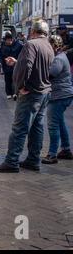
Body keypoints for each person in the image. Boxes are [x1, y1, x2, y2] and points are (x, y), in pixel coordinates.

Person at [0, 20, 54, 173]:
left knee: (20, 128)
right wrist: (18, 62)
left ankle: (12, 161)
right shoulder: (48, 46)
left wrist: (20, 87)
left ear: (33, 31)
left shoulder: (31, 44)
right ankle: (33, 159)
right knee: (36, 128)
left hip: (32, 92)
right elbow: (38, 66)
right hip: (43, 92)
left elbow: (27, 66)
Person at [41, 35, 73, 164]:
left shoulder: (58, 59)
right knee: (60, 122)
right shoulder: (60, 57)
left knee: (53, 125)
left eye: (49, 45)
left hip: (59, 96)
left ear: (54, 46)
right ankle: (66, 149)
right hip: (63, 94)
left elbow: (50, 75)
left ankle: (52, 154)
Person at [0, 32, 24, 100]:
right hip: (6, 66)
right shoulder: (2, 45)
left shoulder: (18, 45)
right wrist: (0, 61)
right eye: (7, 40)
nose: (8, 42)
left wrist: (17, 60)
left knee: (15, 80)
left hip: (15, 65)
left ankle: (15, 93)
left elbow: (23, 53)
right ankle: (8, 93)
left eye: (9, 40)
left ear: (12, 39)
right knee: (7, 80)